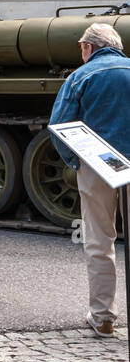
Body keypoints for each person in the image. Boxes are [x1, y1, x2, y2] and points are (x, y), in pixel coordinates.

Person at [49, 22, 130, 338]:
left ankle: (103, 316)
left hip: (99, 166)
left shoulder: (80, 77)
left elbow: (59, 125)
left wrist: (74, 162)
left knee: (99, 240)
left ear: (88, 48)